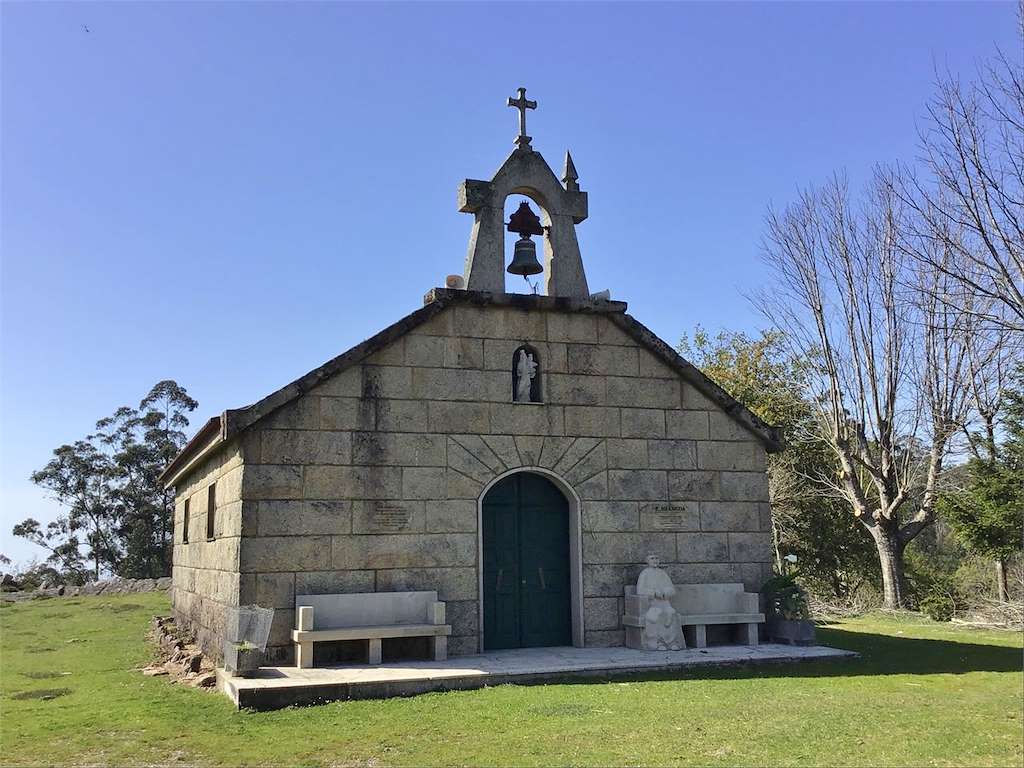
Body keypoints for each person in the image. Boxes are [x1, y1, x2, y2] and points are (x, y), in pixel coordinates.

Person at [635, 554, 685, 650]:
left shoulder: (662, 573)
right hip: (651, 604)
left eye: (657, 558)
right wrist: (654, 593)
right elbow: (640, 590)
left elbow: (672, 589)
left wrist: (666, 592)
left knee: (671, 614)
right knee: (655, 616)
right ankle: (658, 642)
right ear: (647, 561)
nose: (655, 560)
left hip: (665, 603)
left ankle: (671, 642)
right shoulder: (644, 574)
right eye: (652, 558)